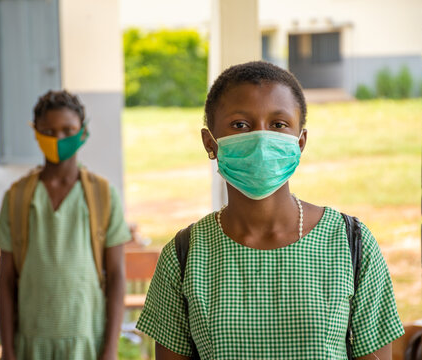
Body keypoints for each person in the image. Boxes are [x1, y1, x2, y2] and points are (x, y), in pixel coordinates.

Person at [136, 61, 404, 359]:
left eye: (278, 125)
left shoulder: (351, 243)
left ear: (300, 142)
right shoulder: (185, 255)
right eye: (240, 125)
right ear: (210, 143)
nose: (261, 139)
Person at [0, 90, 131, 360]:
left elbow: (116, 276)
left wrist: (111, 350)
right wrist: (8, 350)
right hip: (30, 345)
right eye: (49, 131)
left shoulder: (102, 195)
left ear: (83, 131)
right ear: (36, 133)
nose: (58, 139)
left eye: (68, 130)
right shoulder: (18, 197)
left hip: (87, 343)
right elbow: (5, 280)